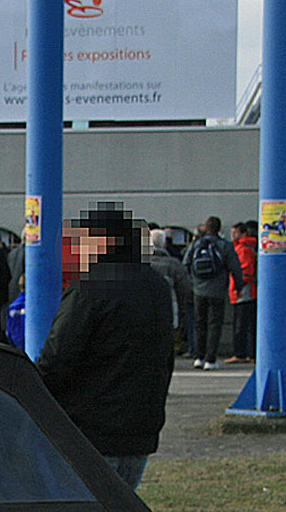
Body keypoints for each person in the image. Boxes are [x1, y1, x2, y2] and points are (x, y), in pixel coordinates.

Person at [34, 204, 175, 490]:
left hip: (89, 429)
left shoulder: (89, 288)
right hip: (140, 429)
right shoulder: (158, 286)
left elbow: (58, 358)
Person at [182, 216, 241, 370]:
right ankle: (210, 359)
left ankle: (198, 357)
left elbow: (186, 264)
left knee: (199, 324)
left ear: (206, 228)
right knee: (214, 325)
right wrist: (238, 287)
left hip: (198, 290)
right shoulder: (224, 246)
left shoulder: (196, 244)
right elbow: (235, 268)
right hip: (217, 290)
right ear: (219, 229)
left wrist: (193, 282)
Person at [145, 226, 190, 358]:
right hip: (170, 307)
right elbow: (185, 287)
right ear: (164, 243)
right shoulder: (174, 264)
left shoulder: (140, 263)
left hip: (144, 307)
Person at [227, 220, 259, 363]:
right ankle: (249, 353)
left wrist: (238, 287)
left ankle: (240, 353)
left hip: (243, 290)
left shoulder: (243, 249)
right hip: (246, 289)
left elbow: (244, 271)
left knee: (241, 323)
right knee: (247, 323)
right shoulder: (245, 247)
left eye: (235, 233)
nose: (232, 235)